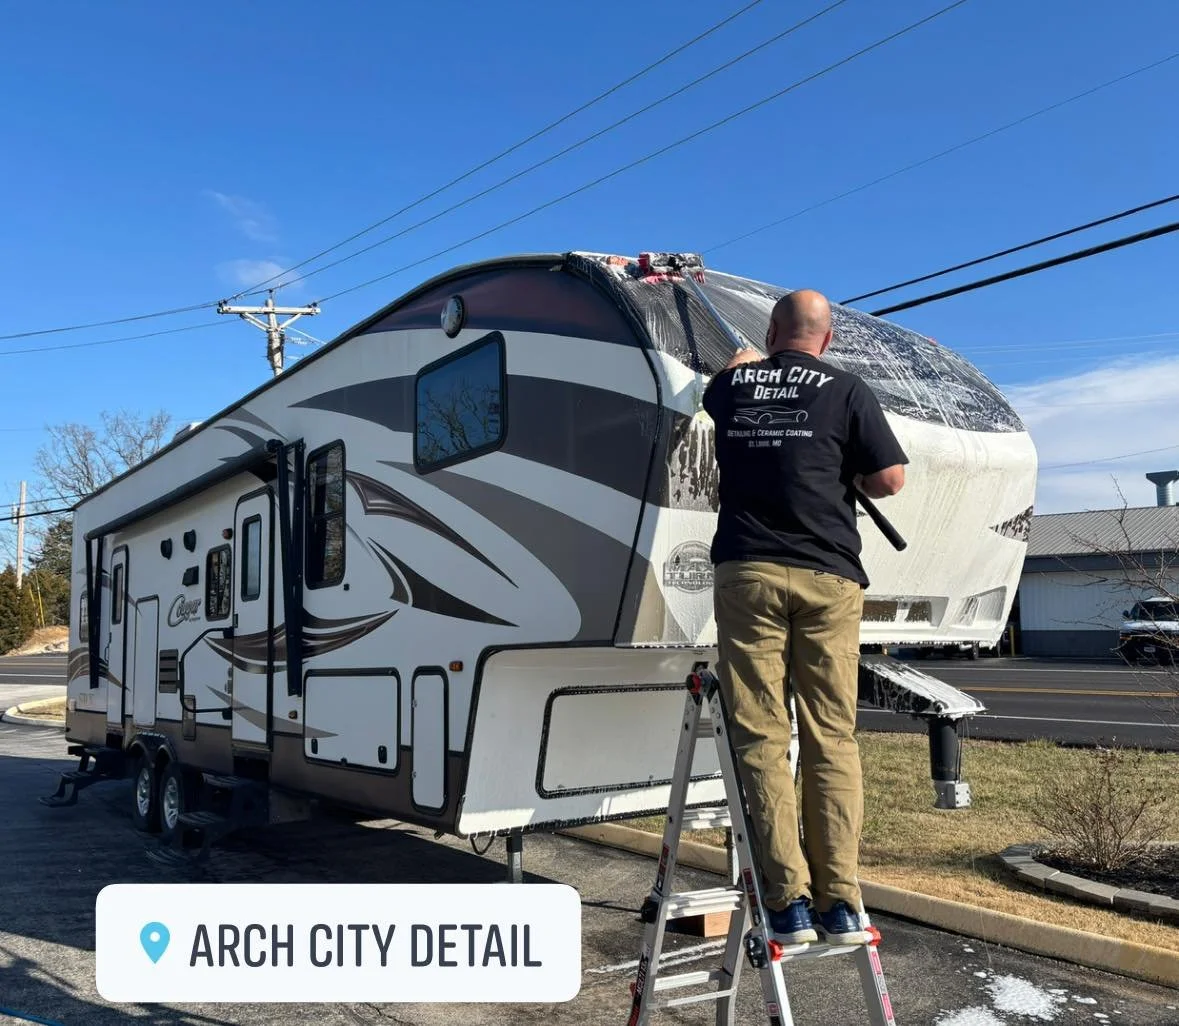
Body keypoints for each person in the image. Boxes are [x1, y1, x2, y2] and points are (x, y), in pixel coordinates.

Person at [701, 288, 907, 946]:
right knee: (829, 737)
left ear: (770, 330)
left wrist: (741, 365)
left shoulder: (732, 385)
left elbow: (722, 386)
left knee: (762, 736)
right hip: (827, 576)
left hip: (749, 572)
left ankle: (786, 905)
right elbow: (889, 481)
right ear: (829, 339)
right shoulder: (845, 388)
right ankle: (840, 905)